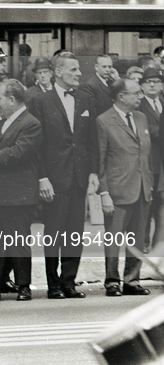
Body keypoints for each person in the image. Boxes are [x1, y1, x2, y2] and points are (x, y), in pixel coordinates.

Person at [28, 52, 99, 300]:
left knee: (74, 233)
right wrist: (42, 177)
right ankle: (53, 284)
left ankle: (69, 283)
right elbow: (36, 145)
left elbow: (91, 142)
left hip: (79, 176)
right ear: (58, 72)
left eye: (79, 69)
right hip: (54, 177)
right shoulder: (40, 101)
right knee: (54, 232)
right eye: (73, 70)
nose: (79, 74)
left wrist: (92, 172)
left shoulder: (86, 99)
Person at [0, 79, 42, 302]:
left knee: (18, 241)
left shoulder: (31, 123)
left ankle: (24, 286)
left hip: (17, 193)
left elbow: (18, 152)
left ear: (12, 99)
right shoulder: (1, 122)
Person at [97, 78, 152, 297]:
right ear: (122, 96)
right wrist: (104, 192)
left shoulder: (141, 118)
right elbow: (100, 160)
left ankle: (132, 280)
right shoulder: (103, 121)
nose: (140, 96)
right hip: (117, 190)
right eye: (136, 93)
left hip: (142, 187)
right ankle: (112, 281)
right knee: (113, 238)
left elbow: (144, 154)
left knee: (137, 238)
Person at [138, 67, 164, 251]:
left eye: (156, 81)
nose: (153, 84)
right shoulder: (139, 106)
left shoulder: (162, 102)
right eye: (148, 82)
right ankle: (144, 242)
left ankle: (158, 245)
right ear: (142, 86)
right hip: (150, 162)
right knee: (147, 206)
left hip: (162, 164)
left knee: (161, 208)